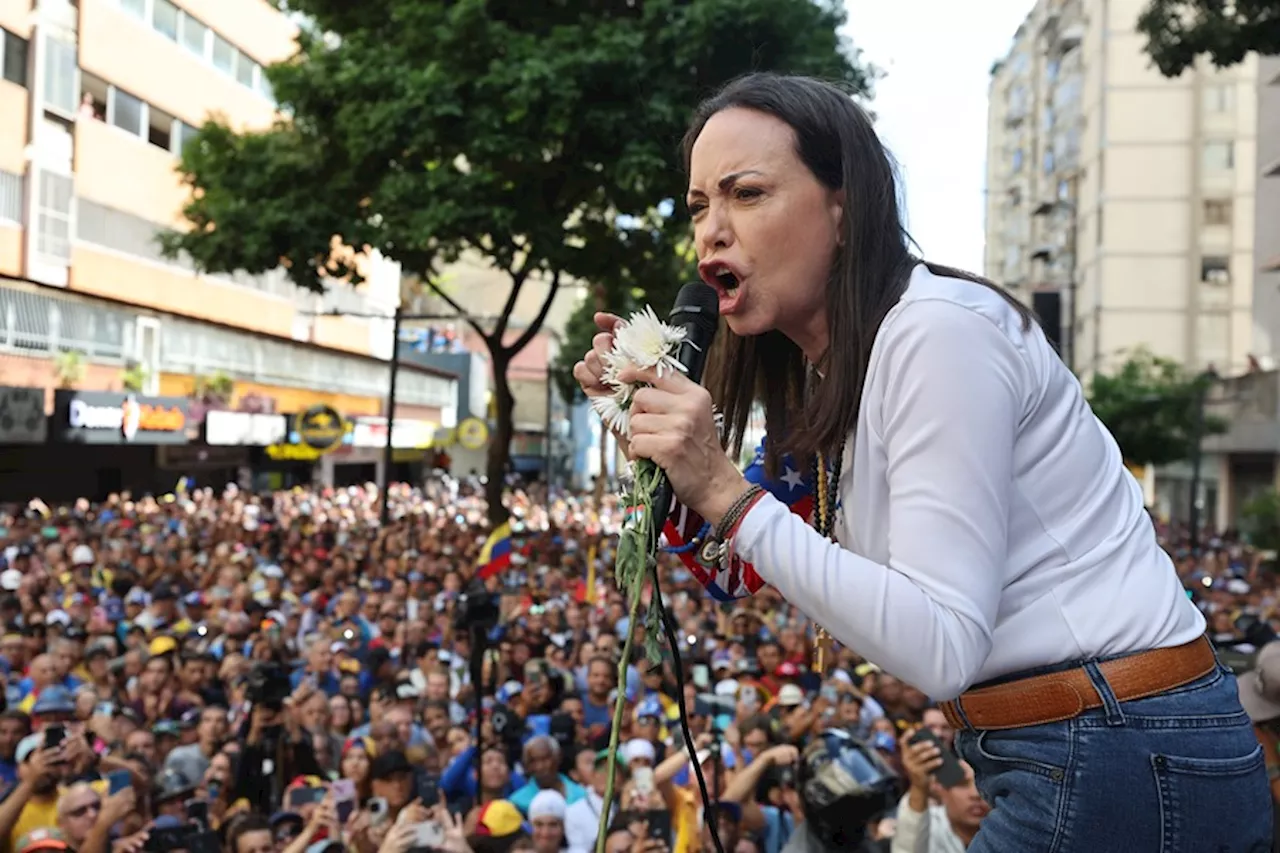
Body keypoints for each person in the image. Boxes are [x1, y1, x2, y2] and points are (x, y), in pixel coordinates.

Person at [572, 71, 1273, 850]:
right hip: (1079, 745)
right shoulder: (836, 371)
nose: (711, 230)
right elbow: (741, 563)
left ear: (843, 209)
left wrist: (722, 486)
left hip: (1117, 749)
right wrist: (655, 443)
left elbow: (940, 645)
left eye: (746, 193)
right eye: (701, 205)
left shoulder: (937, 334)